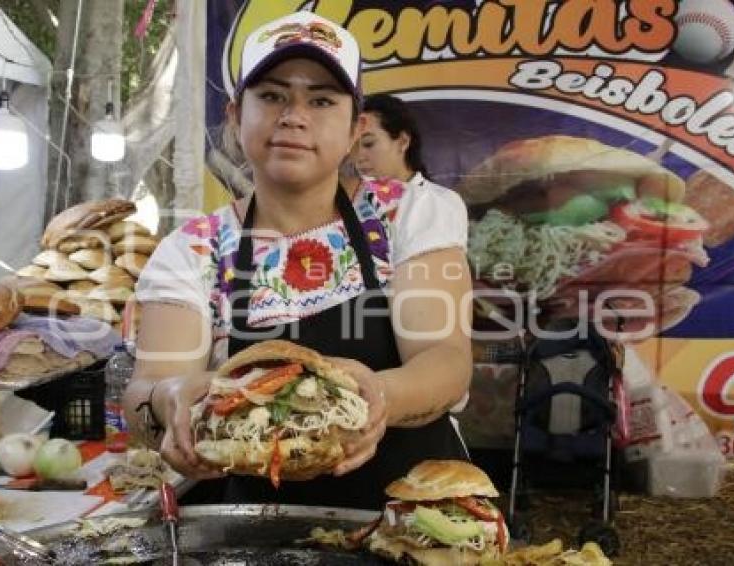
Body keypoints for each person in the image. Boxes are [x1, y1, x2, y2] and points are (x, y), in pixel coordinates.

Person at [124, 11, 473, 510]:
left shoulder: (409, 213)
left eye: (322, 100)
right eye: (271, 95)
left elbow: (447, 361)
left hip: (412, 512)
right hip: (261, 525)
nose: (294, 115)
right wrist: (168, 399)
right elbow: (145, 393)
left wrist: (378, 396)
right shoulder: (194, 250)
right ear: (234, 115)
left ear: (356, 129)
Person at [356, 93, 446, 192]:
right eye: (353, 146)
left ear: (403, 142)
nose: (359, 157)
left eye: (368, 144)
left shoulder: (443, 203)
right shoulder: (350, 202)